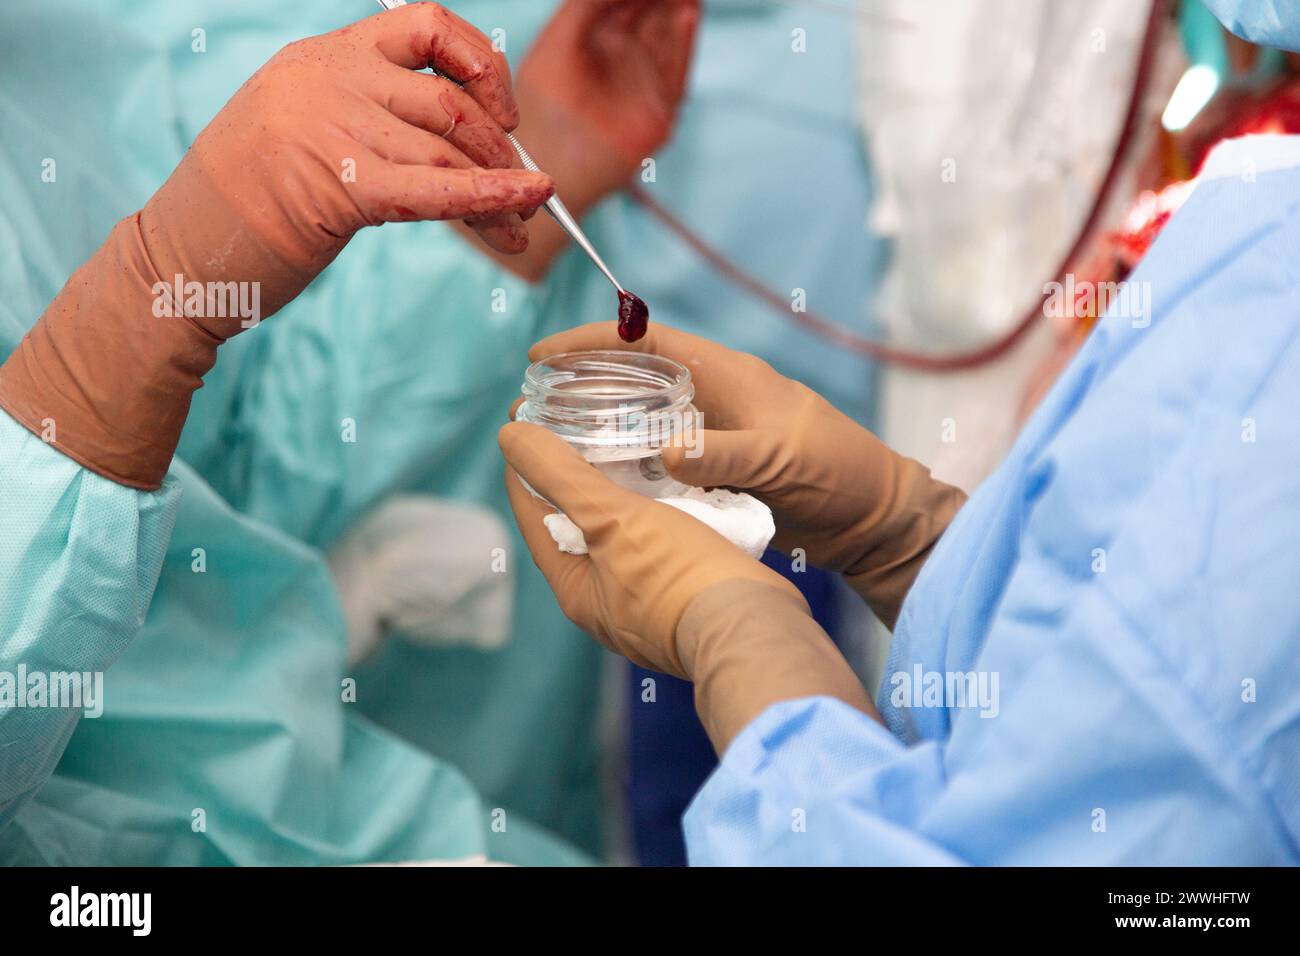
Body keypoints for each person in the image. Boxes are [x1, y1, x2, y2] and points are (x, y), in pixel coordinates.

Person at [500, 0, 1300, 864]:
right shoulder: (1250, 230)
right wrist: (919, 542)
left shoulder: (1267, 312)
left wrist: (743, 636)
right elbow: (1108, 685)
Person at [0, 0, 697, 865]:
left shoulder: (48, 56)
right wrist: (142, 304)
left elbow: (229, 475)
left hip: (354, 798)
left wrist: (523, 185)